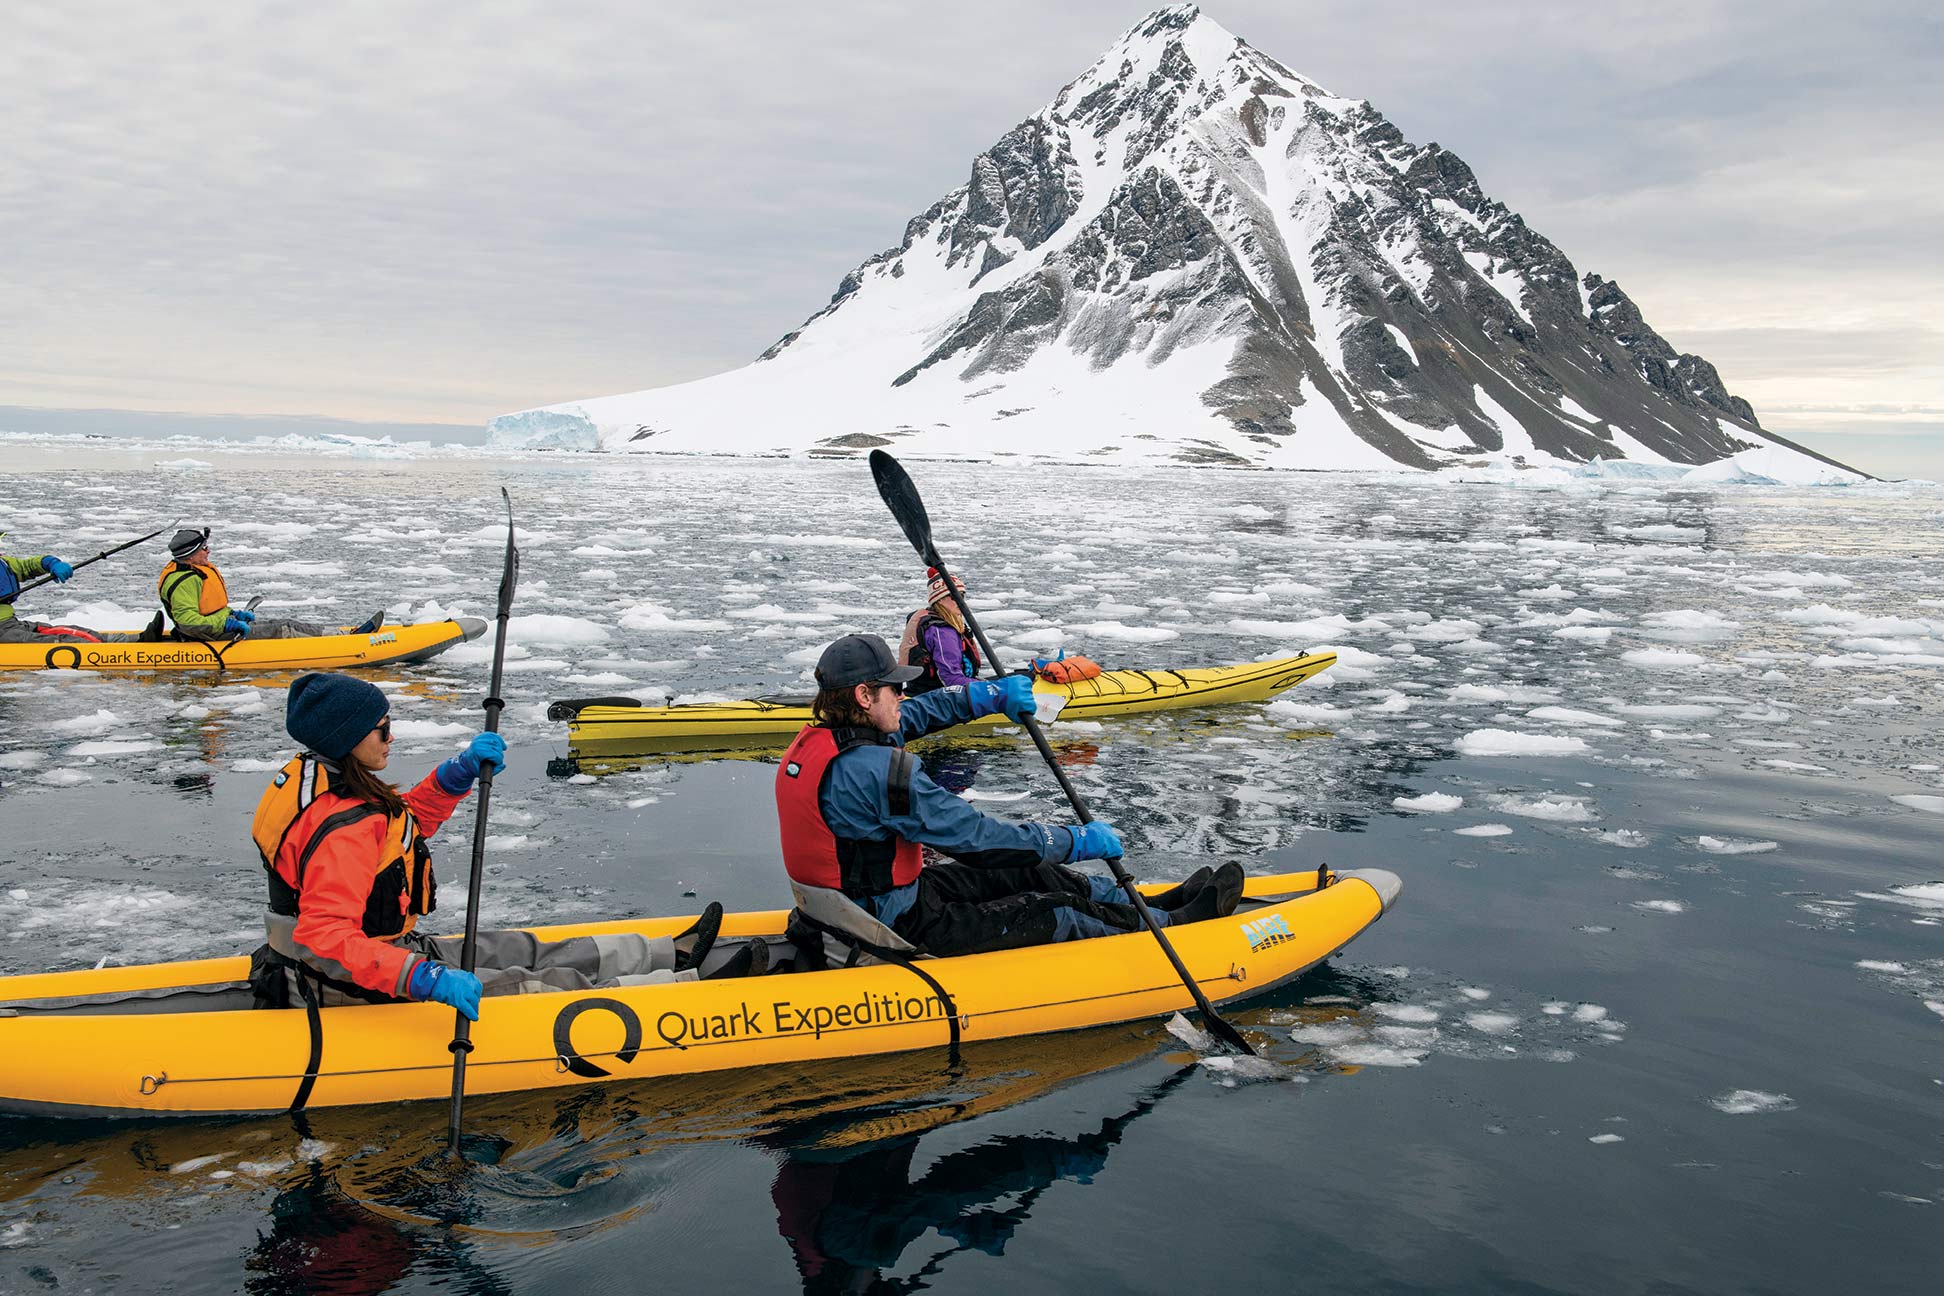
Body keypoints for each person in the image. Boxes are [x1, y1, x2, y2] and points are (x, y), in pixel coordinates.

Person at [249, 671, 736, 1019]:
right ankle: (681, 995)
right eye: (381, 728)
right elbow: (327, 938)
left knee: (517, 948)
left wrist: (452, 777)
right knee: (531, 986)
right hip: (345, 981)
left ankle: (664, 953)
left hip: (385, 948)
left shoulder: (318, 778)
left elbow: (394, 836)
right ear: (347, 738)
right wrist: (424, 979)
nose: (390, 737)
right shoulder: (342, 826)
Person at [775, 633, 1243, 962]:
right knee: (1056, 908)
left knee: (1030, 871)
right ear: (863, 696)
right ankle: (1174, 929)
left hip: (878, 899)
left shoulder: (827, 739)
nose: (902, 694)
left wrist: (986, 696)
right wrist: (1074, 841)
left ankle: (1149, 903)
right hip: (891, 923)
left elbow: (917, 713)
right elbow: (979, 842)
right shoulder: (878, 775)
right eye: (893, 688)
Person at [159, 527, 381, 641]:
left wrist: (233, 614)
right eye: (204, 549)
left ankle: (343, 634)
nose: (209, 552)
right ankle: (346, 641)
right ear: (190, 554)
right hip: (209, 635)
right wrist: (227, 624)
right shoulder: (186, 581)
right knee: (283, 628)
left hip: (215, 629)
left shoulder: (193, 573)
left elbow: (206, 611)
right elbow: (189, 623)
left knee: (284, 622)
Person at [0, 535, 142, 643]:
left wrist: (51, 563)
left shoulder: (4, 563)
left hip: (10, 624)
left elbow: (27, 566)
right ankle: (108, 653)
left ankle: (133, 639)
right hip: (3, 633)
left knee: (68, 630)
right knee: (59, 640)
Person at [897, 567, 980, 694]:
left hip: (923, 692)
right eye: (953, 596)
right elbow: (951, 679)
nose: (959, 600)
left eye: (962, 596)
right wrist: (993, 689)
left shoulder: (938, 623)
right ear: (939, 599)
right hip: (938, 699)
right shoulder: (942, 632)